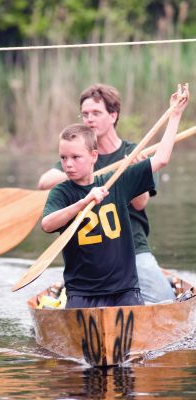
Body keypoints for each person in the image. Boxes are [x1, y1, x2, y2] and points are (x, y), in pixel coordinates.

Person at [41, 84, 189, 308]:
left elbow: (155, 170)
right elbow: (45, 188)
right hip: (86, 267)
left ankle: (160, 281)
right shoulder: (74, 156)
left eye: (96, 113)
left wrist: (175, 114)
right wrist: (83, 197)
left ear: (113, 115)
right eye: (85, 114)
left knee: (162, 300)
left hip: (129, 249)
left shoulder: (130, 159)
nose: (89, 119)